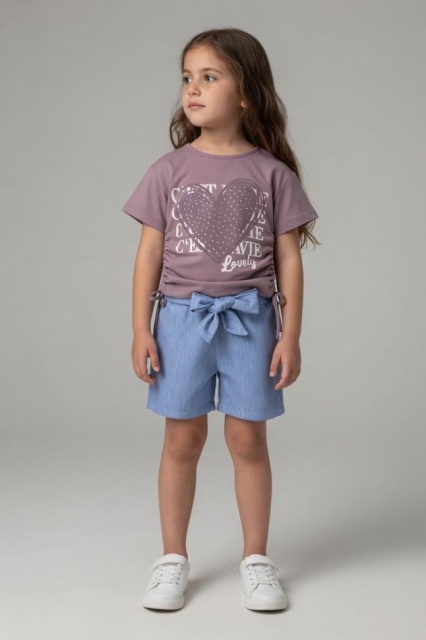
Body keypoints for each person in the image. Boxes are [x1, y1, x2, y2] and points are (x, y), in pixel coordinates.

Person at [121, 27, 320, 612]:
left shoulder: (273, 174)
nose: (192, 89)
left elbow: (289, 259)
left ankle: (256, 560)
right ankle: (172, 559)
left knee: (247, 439)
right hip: (181, 320)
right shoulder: (168, 170)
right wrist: (140, 329)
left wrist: (290, 335)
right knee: (182, 439)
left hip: (250, 323)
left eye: (209, 77)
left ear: (246, 94)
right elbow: (148, 255)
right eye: (187, 78)